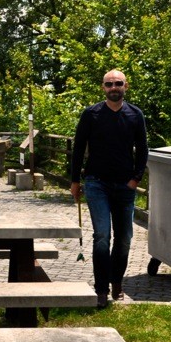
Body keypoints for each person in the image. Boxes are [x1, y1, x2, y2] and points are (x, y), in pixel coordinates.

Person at [69, 69, 148, 308]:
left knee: (124, 239)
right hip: (97, 183)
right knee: (102, 236)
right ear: (103, 87)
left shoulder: (135, 114)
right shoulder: (91, 114)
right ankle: (101, 289)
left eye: (118, 83)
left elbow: (142, 149)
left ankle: (117, 282)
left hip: (125, 186)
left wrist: (136, 179)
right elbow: (78, 147)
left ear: (126, 86)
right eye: (109, 84)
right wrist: (75, 181)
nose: (114, 87)